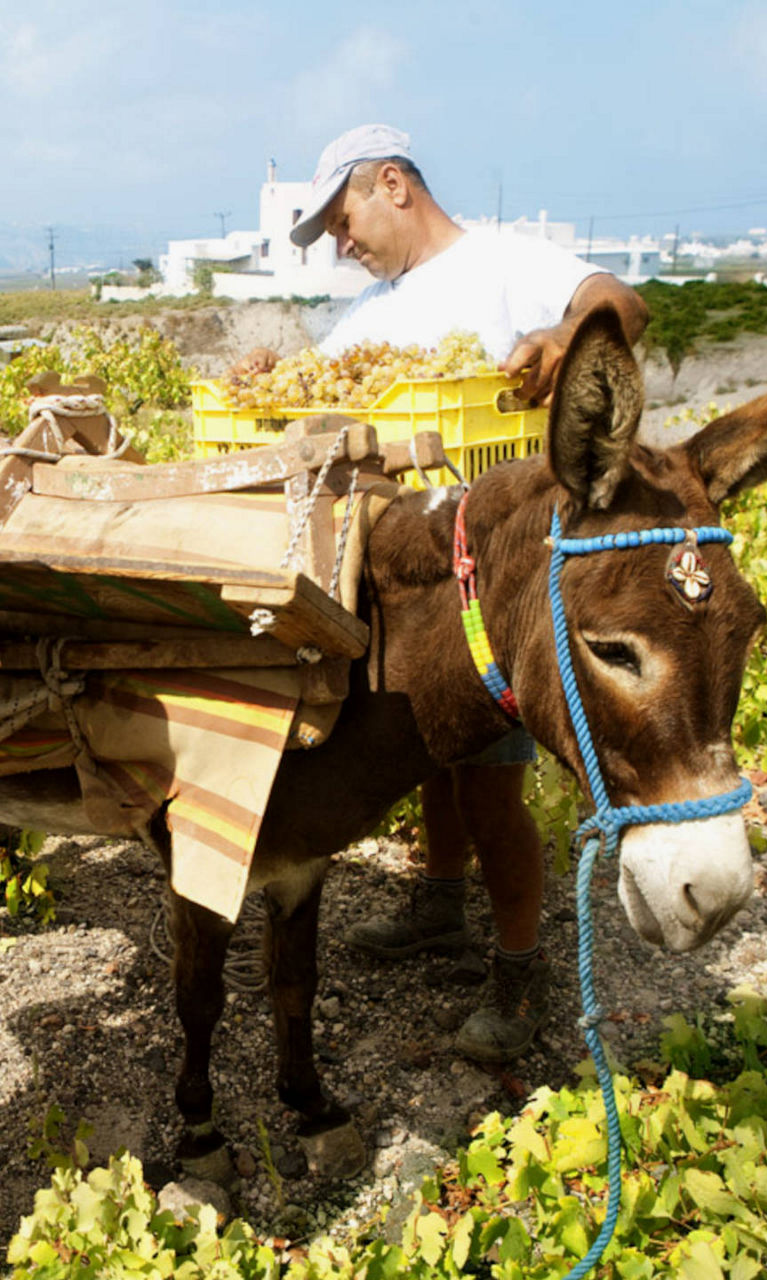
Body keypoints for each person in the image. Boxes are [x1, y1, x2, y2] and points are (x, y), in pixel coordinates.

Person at [248, 124, 648, 1064]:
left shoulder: (505, 264)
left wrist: (566, 335)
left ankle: (519, 977)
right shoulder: (377, 313)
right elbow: (321, 397)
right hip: (410, 578)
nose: (339, 243)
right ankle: (437, 907)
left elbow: (616, 301)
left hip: (496, 582)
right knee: (426, 750)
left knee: (488, 787)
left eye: (340, 220)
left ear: (391, 184)